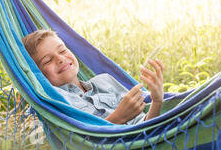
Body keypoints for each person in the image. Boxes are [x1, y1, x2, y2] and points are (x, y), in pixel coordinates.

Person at [22, 29, 164, 125]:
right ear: (38, 74)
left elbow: (145, 128)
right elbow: (79, 143)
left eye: (63, 50)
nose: (60, 59)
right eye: (47, 61)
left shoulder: (105, 81)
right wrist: (117, 118)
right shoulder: (55, 100)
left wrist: (157, 101)